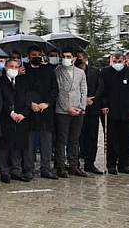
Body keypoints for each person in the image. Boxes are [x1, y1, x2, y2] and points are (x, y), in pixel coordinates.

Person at [99, 52, 129, 175]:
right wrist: (104, 105)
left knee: (125, 139)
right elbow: (102, 90)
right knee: (111, 139)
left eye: (119, 61)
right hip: (110, 111)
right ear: (110, 61)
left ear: (125, 61)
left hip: (126, 111)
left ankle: (125, 164)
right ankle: (111, 164)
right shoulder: (104, 72)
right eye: (114, 61)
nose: (117, 64)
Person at [24, 46, 59, 180]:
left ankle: (46, 168)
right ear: (28, 55)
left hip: (46, 112)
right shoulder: (23, 70)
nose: (37, 57)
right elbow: (22, 90)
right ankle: (28, 169)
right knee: (29, 143)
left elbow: (54, 89)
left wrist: (47, 103)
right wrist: (30, 103)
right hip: (30, 112)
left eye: (39, 54)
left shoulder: (49, 70)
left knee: (46, 143)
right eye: (34, 54)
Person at [53, 49, 88, 178]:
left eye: (68, 56)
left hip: (78, 110)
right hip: (62, 111)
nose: (66, 58)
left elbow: (84, 90)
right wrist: (68, 108)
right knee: (62, 139)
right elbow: (58, 91)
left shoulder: (80, 72)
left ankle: (74, 165)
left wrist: (81, 107)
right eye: (64, 56)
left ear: (74, 58)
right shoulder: (57, 71)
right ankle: (61, 166)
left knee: (75, 139)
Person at [0, 59, 32, 183]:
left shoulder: (23, 81)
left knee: (18, 145)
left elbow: (28, 99)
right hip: (6, 118)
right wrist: (11, 112)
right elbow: (0, 100)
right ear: (6, 68)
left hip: (21, 118)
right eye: (11, 66)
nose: (14, 68)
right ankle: (4, 171)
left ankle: (16, 170)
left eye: (16, 66)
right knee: (4, 146)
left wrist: (23, 113)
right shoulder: (0, 81)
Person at [76, 51, 104, 174]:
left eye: (80, 57)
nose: (78, 59)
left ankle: (90, 163)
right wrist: (82, 100)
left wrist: (93, 99)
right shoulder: (73, 71)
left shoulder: (95, 71)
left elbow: (101, 87)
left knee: (92, 137)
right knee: (77, 137)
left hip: (92, 107)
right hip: (77, 108)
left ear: (86, 58)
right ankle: (75, 163)